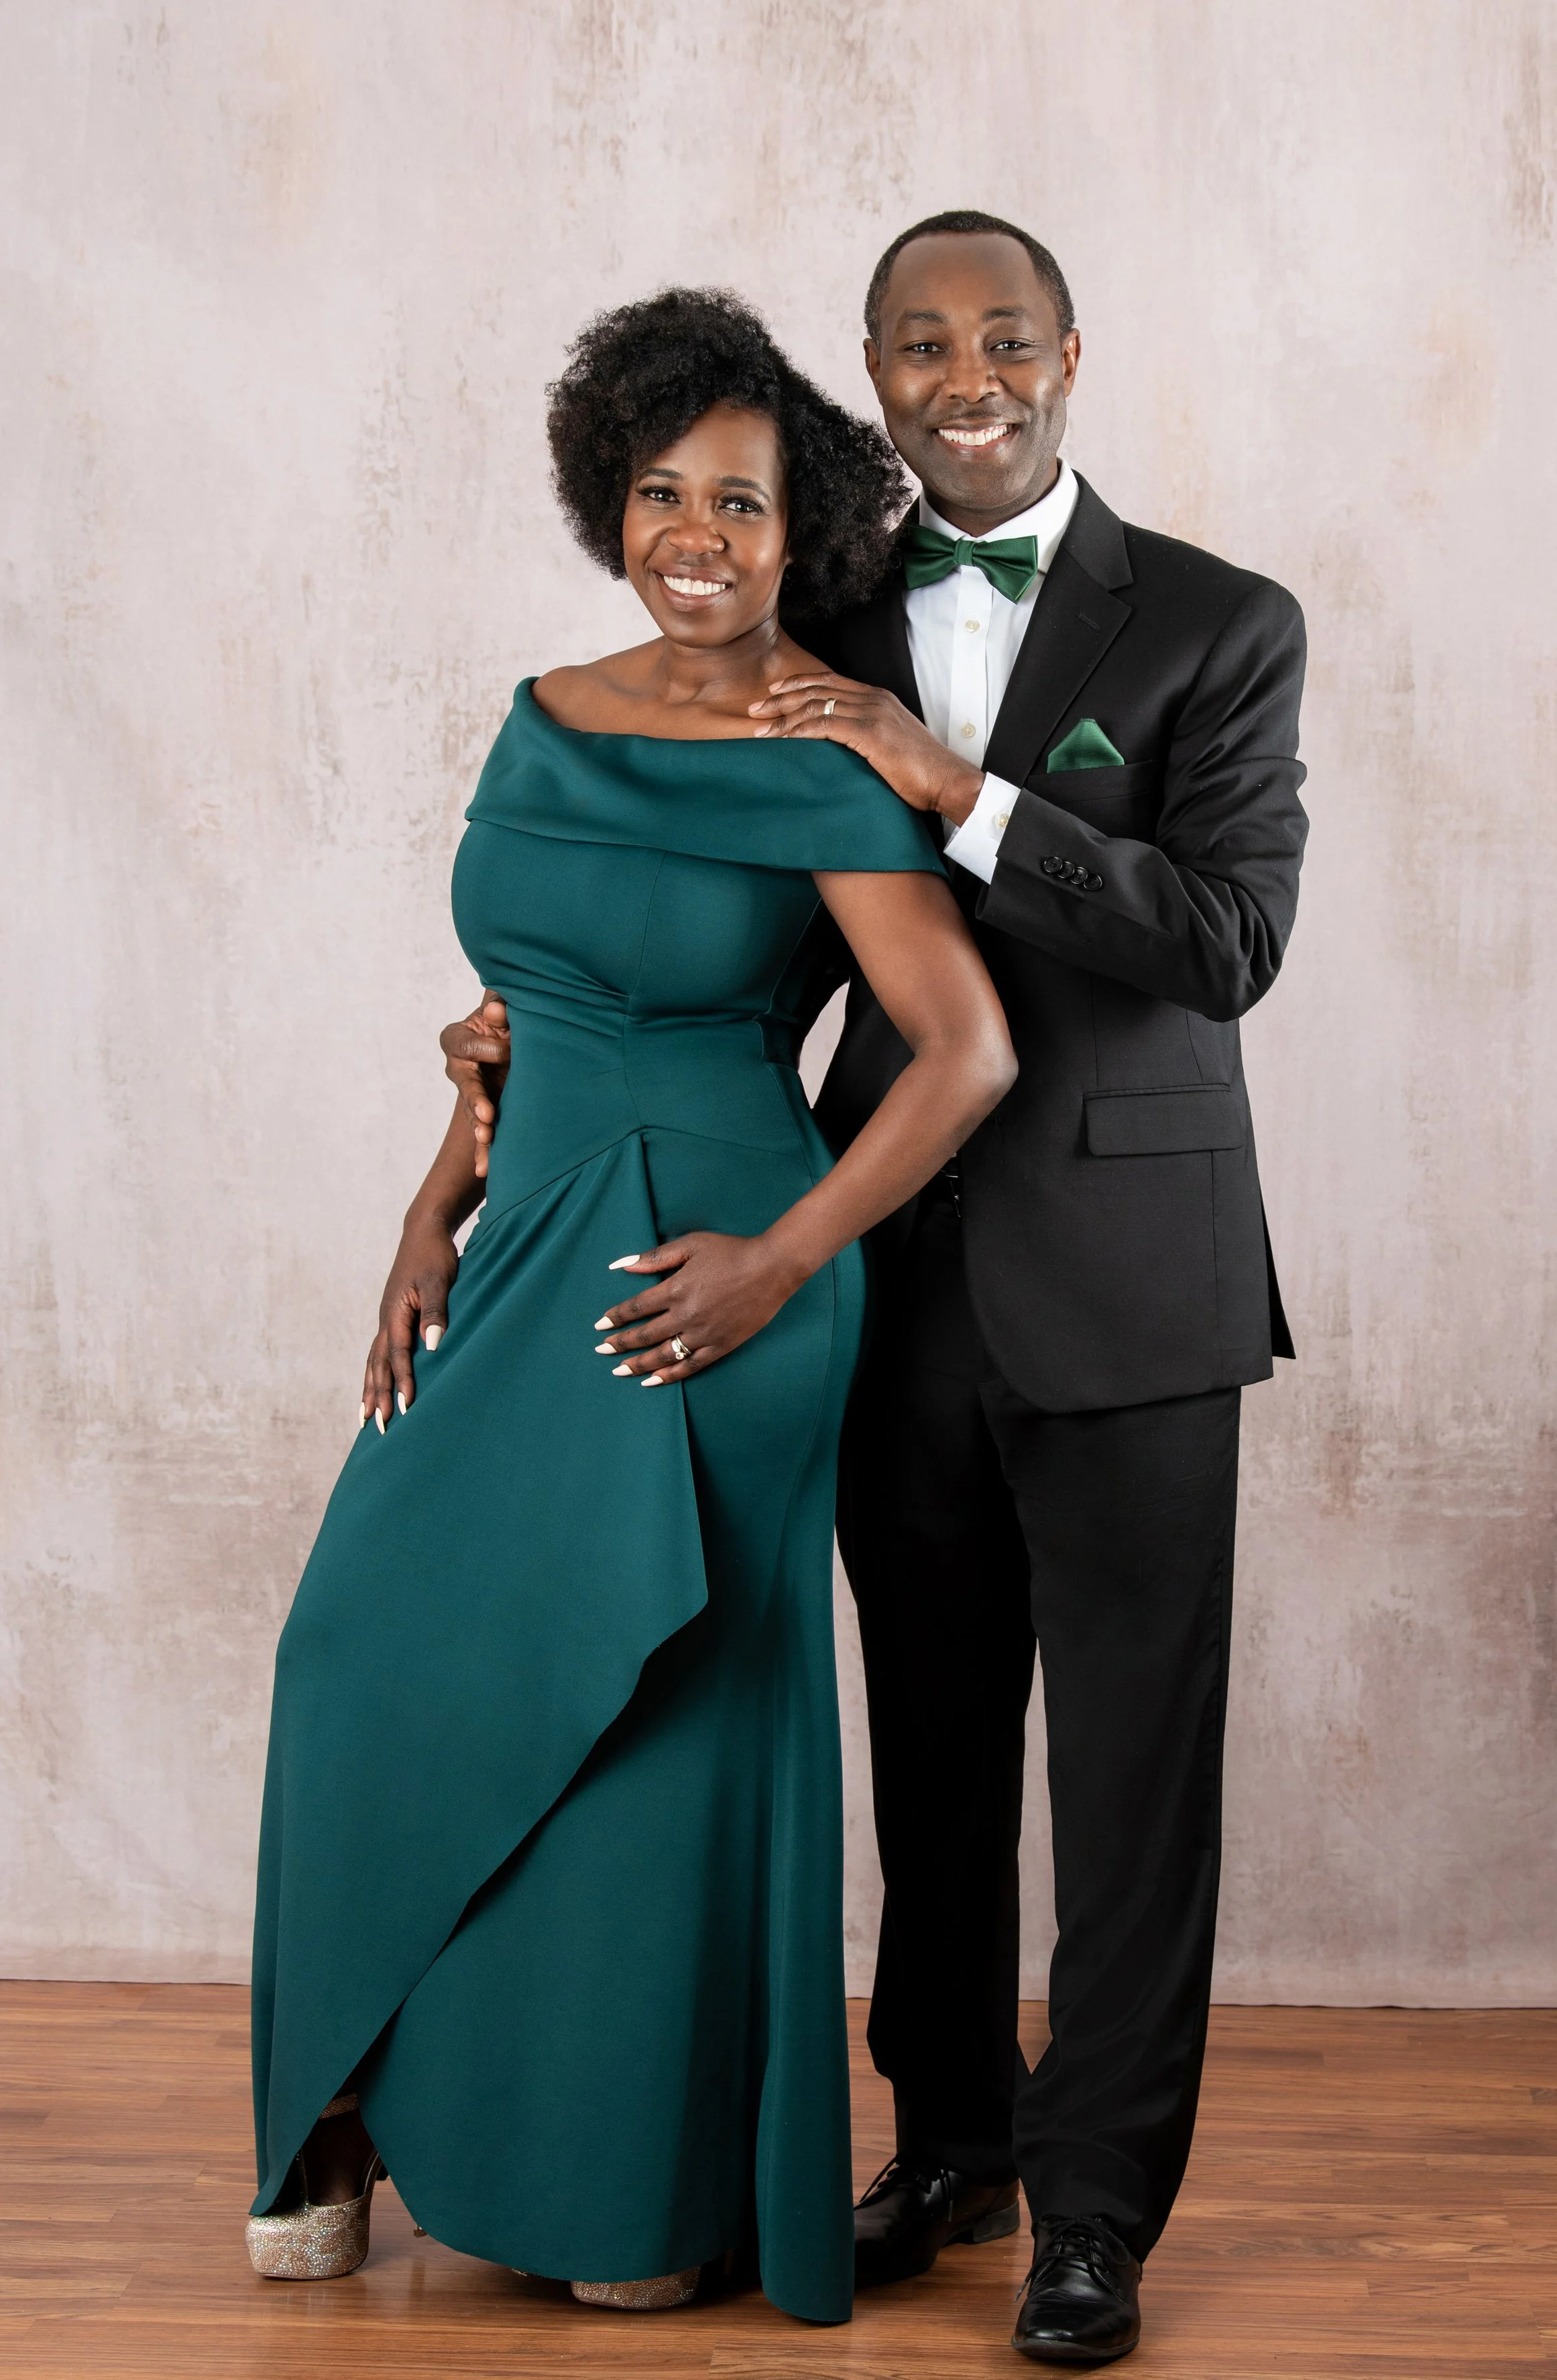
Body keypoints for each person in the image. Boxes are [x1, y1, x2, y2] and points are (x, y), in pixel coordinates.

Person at [439, 213, 1308, 2365]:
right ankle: (952, 2144)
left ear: (1070, 349)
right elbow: (731, 946)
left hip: (1134, 1278)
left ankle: (1095, 2215)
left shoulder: (1218, 621)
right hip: (879, 1268)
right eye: (919, 343)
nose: (965, 372)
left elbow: (1224, 945)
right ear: (877, 374)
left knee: (1125, 1782)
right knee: (923, 1758)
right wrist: (522, 1050)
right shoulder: (814, 613)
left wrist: (968, 794)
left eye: (1002, 334)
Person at [243, 287, 1015, 2326]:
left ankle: (632, 2187)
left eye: (742, 504)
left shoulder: (823, 750)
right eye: (663, 492)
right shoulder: (543, 712)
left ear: (801, 531)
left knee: (660, 1733)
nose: (698, 533)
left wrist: (785, 1262)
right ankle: (338, 2113)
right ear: (613, 501)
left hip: (729, 1270)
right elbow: (528, 1010)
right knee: (355, 1655)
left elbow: (963, 1054)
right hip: (520, 1246)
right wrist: (439, 1189)